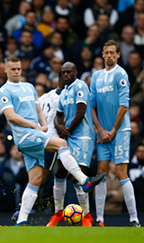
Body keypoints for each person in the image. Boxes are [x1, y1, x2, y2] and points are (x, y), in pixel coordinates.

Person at [0, 56, 105, 226]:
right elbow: (11, 116)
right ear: (6, 70)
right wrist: (36, 126)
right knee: (62, 145)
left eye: (18, 68)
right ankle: (84, 182)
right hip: (27, 136)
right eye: (13, 69)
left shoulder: (30, 87)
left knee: (36, 179)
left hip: (40, 135)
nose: (17, 72)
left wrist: (44, 125)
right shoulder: (4, 90)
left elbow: (38, 109)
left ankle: (22, 218)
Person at [90, 39, 140, 227]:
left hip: (119, 131)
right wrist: (101, 130)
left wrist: (112, 130)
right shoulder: (96, 77)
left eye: (113, 52)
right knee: (101, 172)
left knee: (120, 172)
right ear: (102, 54)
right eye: (106, 52)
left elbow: (124, 106)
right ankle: (100, 219)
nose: (109, 55)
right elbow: (92, 107)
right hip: (103, 133)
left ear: (118, 55)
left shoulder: (121, 74)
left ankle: (134, 219)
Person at [46, 62, 95, 227]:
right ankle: (58, 213)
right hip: (69, 136)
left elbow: (81, 111)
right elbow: (58, 116)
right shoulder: (64, 92)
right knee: (59, 173)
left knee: (76, 177)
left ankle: (87, 216)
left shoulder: (80, 86)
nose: (66, 75)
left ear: (75, 72)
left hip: (83, 137)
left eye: (68, 72)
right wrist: (60, 127)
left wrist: (67, 130)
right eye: (63, 73)